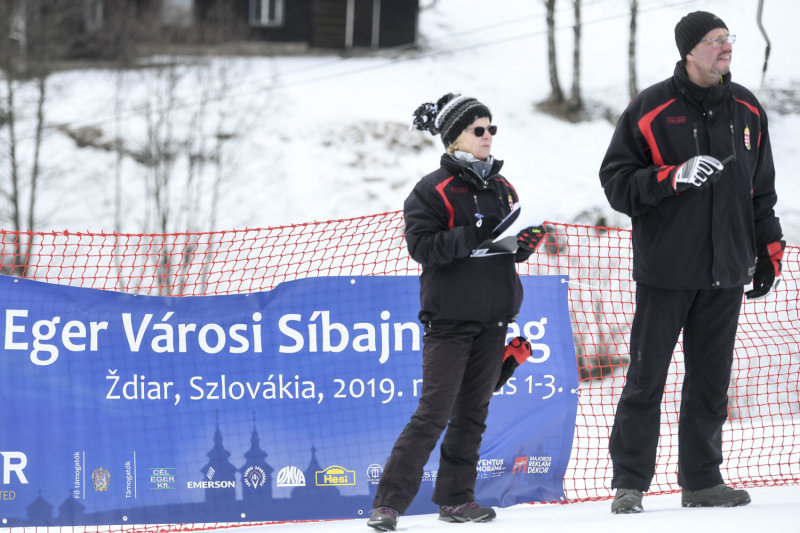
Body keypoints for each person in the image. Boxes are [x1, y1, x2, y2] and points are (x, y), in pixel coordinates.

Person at [598, 11, 784, 514]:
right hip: (667, 271)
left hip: (726, 270)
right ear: (689, 51)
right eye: (714, 40)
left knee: (710, 381)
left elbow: (760, 188)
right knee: (646, 378)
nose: (726, 46)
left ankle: (702, 481)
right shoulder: (651, 108)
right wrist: (672, 177)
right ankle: (630, 483)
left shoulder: (746, 107)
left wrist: (768, 246)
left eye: (728, 38)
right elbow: (616, 183)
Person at [366, 93, 545, 531]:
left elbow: (503, 248)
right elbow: (422, 247)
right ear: (453, 139)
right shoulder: (431, 190)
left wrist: (522, 246)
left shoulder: (503, 188)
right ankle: (388, 505)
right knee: (433, 414)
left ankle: (456, 500)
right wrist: (472, 233)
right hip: (449, 322)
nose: (487, 136)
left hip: (494, 319)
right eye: (477, 129)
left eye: (491, 128)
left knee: (472, 416)